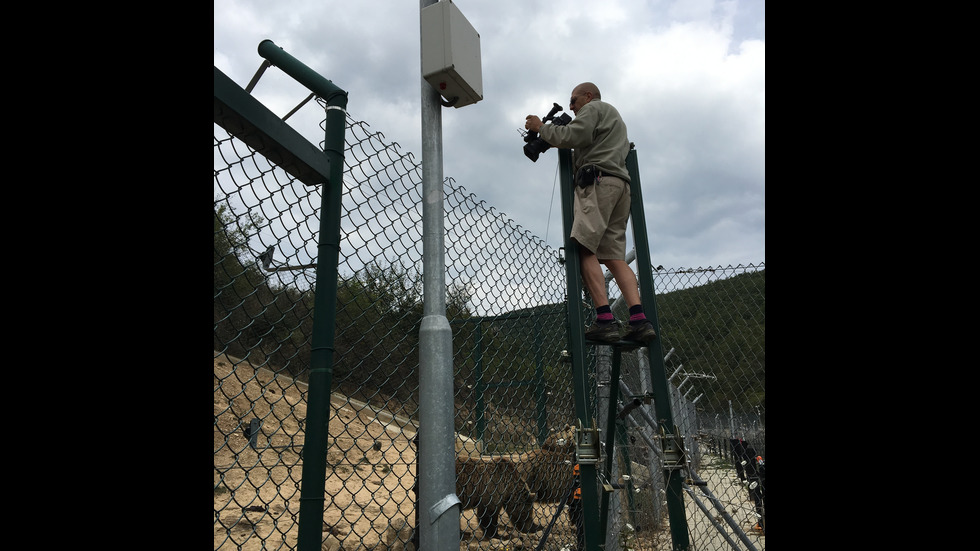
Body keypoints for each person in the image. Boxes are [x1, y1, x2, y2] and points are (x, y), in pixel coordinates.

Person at [525, 82, 656, 344]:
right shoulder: (615, 121)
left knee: (585, 249)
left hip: (597, 183)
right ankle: (639, 320)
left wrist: (541, 128)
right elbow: (583, 140)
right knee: (614, 257)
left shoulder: (595, 108)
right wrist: (552, 138)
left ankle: (605, 320)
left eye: (573, 101)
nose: (571, 107)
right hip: (620, 187)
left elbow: (576, 135)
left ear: (588, 96)